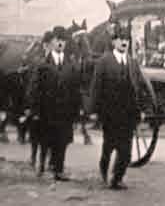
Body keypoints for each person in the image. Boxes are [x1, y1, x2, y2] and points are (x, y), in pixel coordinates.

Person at [90, 26, 154, 190]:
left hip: (128, 113)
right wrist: (93, 111)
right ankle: (104, 167)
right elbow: (96, 88)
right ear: (114, 42)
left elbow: (140, 88)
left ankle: (117, 179)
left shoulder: (133, 64)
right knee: (109, 147)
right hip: (110, 113)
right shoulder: (104, 62)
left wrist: (143, 110)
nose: (124, 42)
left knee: (125, 151)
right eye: (120, 39)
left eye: (126, 39)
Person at [26, 26, 81, 180]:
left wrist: (76, 112)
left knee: (62, 141)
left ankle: (58, 170)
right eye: (58, 40)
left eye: (63, 40)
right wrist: (34, 110)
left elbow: (75, 90)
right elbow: (34, 89)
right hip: (46, 111)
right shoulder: (43, 64)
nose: (60, 43)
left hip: (65, 112)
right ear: (52, 42)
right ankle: (42, 165)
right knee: (46, 139)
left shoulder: (71, 66)